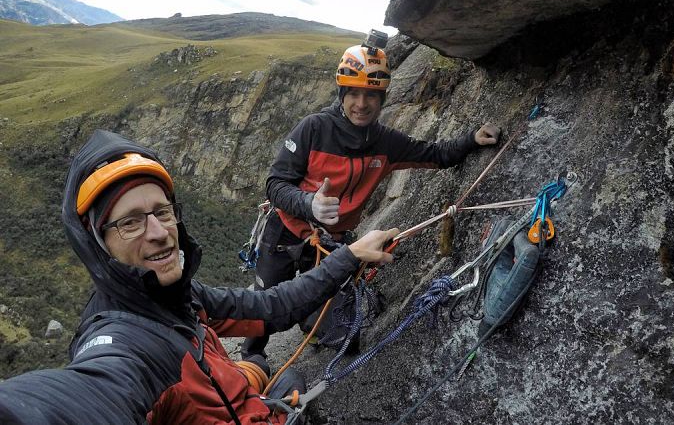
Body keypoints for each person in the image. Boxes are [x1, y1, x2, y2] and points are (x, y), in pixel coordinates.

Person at [0, 129, 398, 424]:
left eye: (162, 211)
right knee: (286, 379)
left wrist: (348, 255)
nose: (158, 232)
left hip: (228, 404)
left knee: (265, 365)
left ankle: (251, 375)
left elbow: (271, 307)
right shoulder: (125, 346)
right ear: (99, 245)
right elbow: (77, 399)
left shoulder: (176, 295)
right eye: (130, 223)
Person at [242, 38, 501, 359]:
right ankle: (252, 360)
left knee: (344, 337)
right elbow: (276, 184)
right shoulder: (313, 129)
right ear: (342, 94)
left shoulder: (385, 143)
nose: (361, 104)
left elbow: (434, 154)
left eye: (371, 95)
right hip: (283, 234)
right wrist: (309, 203)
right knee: (264, 307)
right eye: (354, 93)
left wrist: (472, 140)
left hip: (330, 246)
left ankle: (311, 325)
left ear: (381, 98)